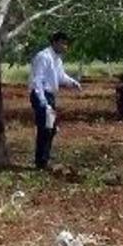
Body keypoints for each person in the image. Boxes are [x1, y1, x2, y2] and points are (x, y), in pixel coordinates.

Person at [29, 32, 81, 169]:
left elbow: (60, 76)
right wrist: (43, 101)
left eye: (66, 44)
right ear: (55, 43)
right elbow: (37, 80)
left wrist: (72, 82)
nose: (66, 47)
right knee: (45, 128)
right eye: (63, 43)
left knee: (50, 128)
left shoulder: (57, 59)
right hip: (41, 95)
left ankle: (43, 159)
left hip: (49, 96)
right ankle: (41, 162)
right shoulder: (43, 56)